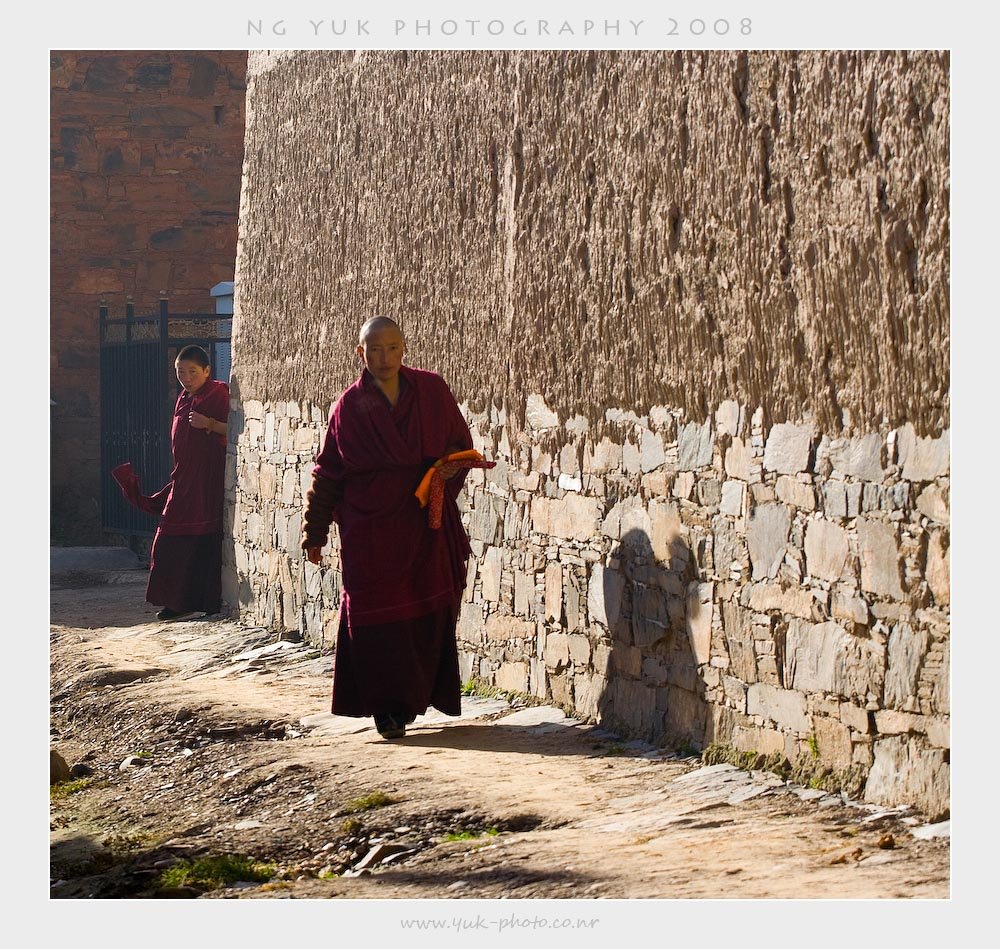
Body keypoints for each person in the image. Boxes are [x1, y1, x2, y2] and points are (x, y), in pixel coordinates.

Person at [301, 316, 478, 739]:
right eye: (374, 350)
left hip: (422, 525)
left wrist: (445, 472)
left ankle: (415, 698)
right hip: (370, 530)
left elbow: (461, 446)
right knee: (374, 618)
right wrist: (316, 530)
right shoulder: (348, 406)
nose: (385, 358)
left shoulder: (431, 390)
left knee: (426, 613)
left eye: (393, 348)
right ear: (360, 353)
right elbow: (329, 471)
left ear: (405, 349)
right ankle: (386, 709)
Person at [113, 344, 229, 621]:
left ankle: (199, 600)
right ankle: (177, 601)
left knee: (192, 542)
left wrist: (209, 423)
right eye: (180, 372)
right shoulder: (183, 398)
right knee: (169, 543)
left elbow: (236, 429)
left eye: (192, 372)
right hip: (184, 478)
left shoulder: (218, 393)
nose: (186, 378)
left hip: (206, 481)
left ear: (207, 371)